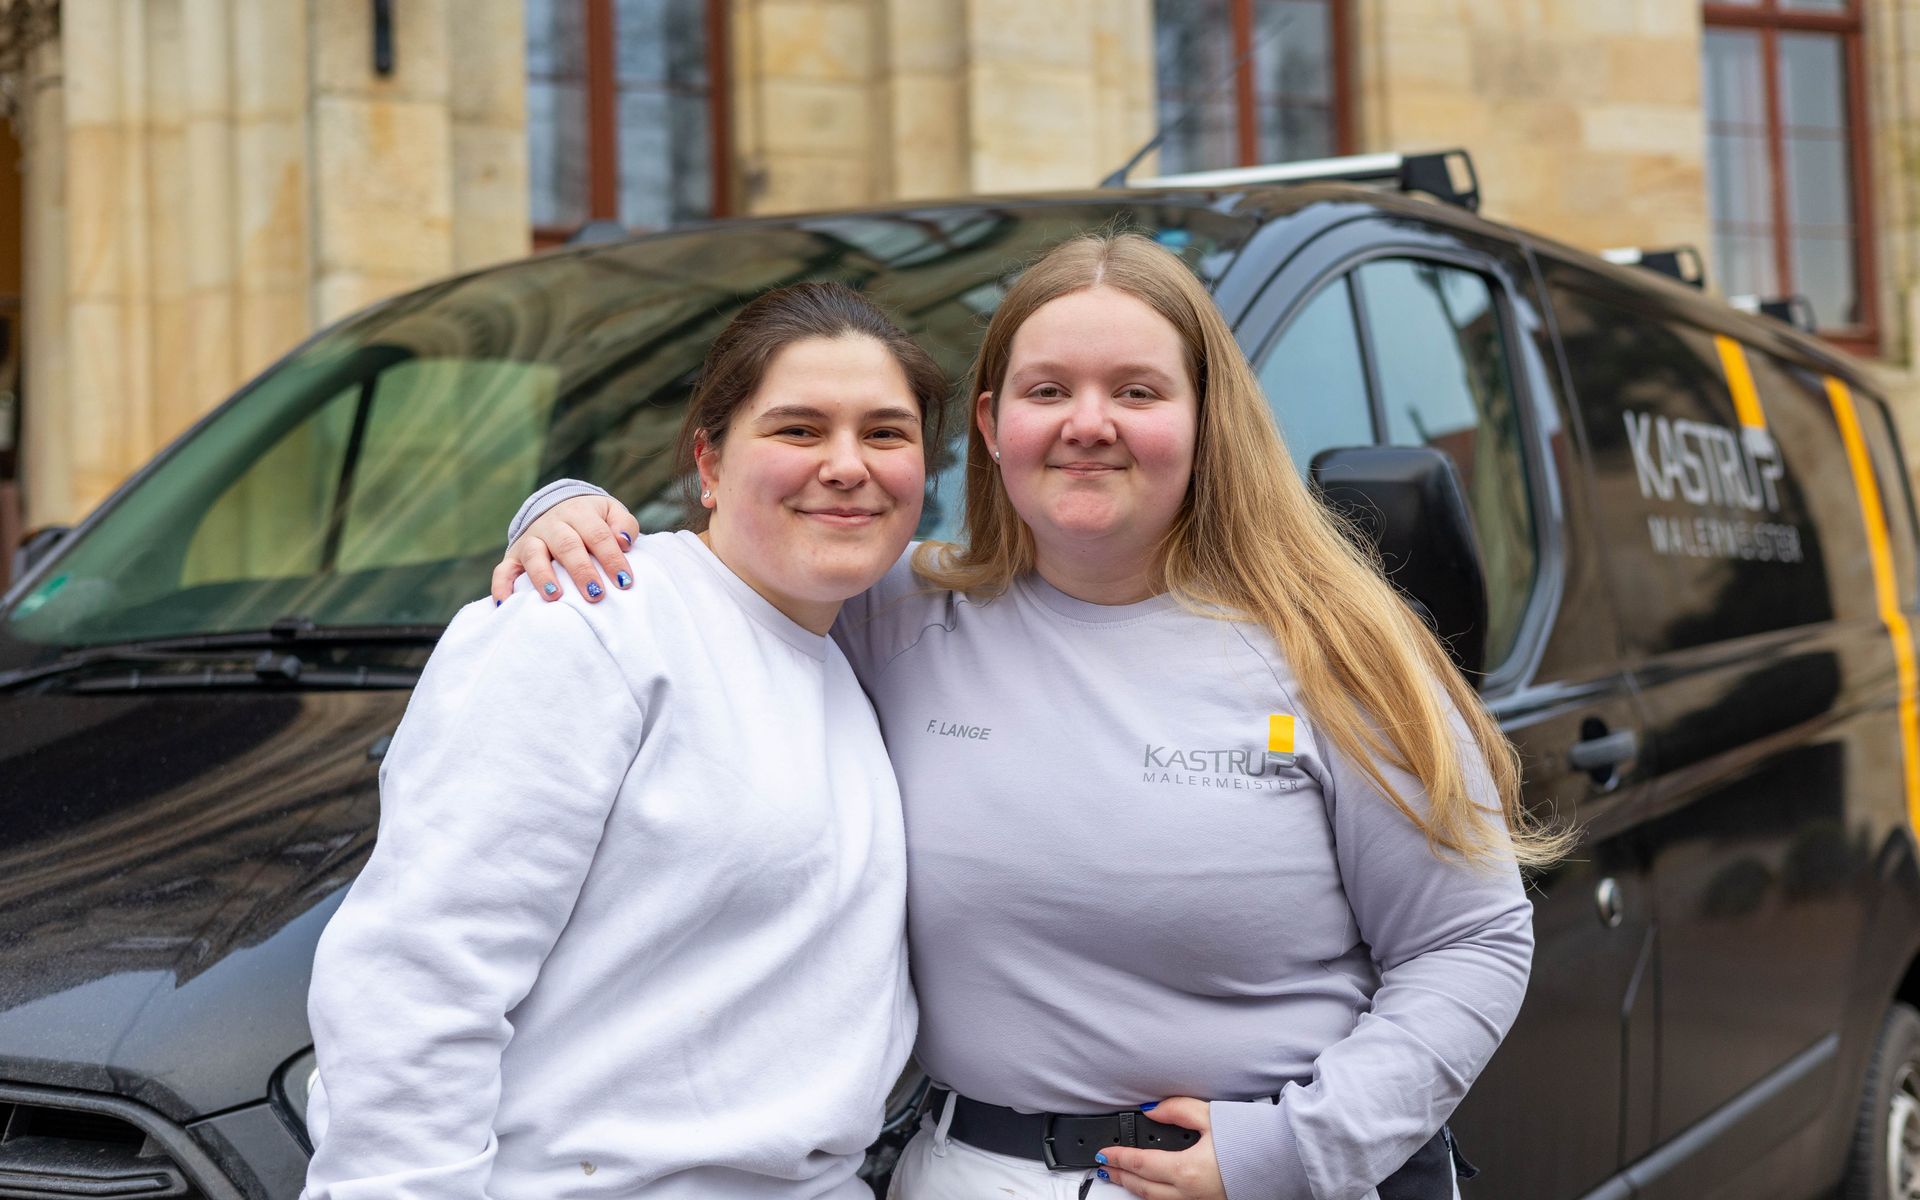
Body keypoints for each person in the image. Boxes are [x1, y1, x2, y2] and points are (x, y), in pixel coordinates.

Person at [493, 233, 1562, 1200]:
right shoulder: (900, 613)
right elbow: (748, 559)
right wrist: (570, 514)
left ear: (1204, 418)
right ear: (995, 425)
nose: (1089, 423)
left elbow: (1469, 939)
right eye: (1050, 390)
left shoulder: (1340, 652)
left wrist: (1298, 1152)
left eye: (1137, 391)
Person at [300, 282, 948, 1200]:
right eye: (798, 430)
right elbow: (419, 975)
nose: (846, 464)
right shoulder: (591, 621)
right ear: (709, 463)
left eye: (885, 433)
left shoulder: (865, 647)